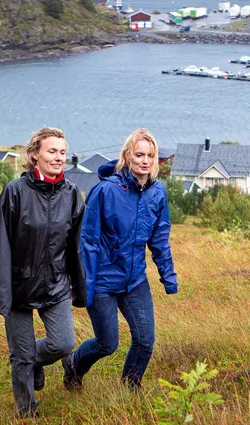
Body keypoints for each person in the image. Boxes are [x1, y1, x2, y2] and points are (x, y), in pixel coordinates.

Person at [63, 128, 178, 390]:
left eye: (150, 155)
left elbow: (159, 240)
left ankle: (130, 387)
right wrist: (83, 285)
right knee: (107, 344)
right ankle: (73, 366)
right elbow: (87, 241)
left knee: (145, 340)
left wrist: (168, 277)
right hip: (103, 280)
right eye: (139, 154)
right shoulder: (104, 191)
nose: (145, 161)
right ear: (127, 155)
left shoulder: (157, 193)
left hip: (135, 279)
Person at [0, 127, 86, 418]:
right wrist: (0, 292)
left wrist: (78, 287)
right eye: (51, 151)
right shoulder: (14, 193)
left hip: (55, 284)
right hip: (18, 286)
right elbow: (0, 246)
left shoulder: (71, 195)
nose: (58, 158)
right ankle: (27, 410)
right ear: (35, 155)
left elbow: (76, 247)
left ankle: (36, 362)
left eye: (62, 152)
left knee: (63, 343)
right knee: (21, 354)